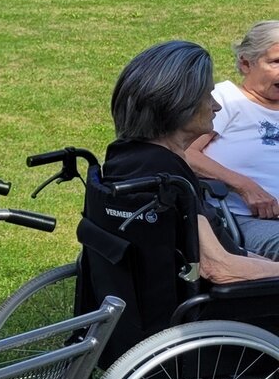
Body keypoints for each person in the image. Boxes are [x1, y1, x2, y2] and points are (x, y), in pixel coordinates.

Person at [89, 40, 279, 361]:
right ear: (179, 104)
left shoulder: (127, 157)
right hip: (208, 326)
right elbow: (219, 268)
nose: (216, 106)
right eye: (207, 96)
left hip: (138, 319)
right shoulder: (168, 176)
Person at [184, 21, 279, 258]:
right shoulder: (225, 100)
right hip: (243, 219)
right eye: (276, 62)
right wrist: (245, 186)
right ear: (246, 63)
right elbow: (185, 153)